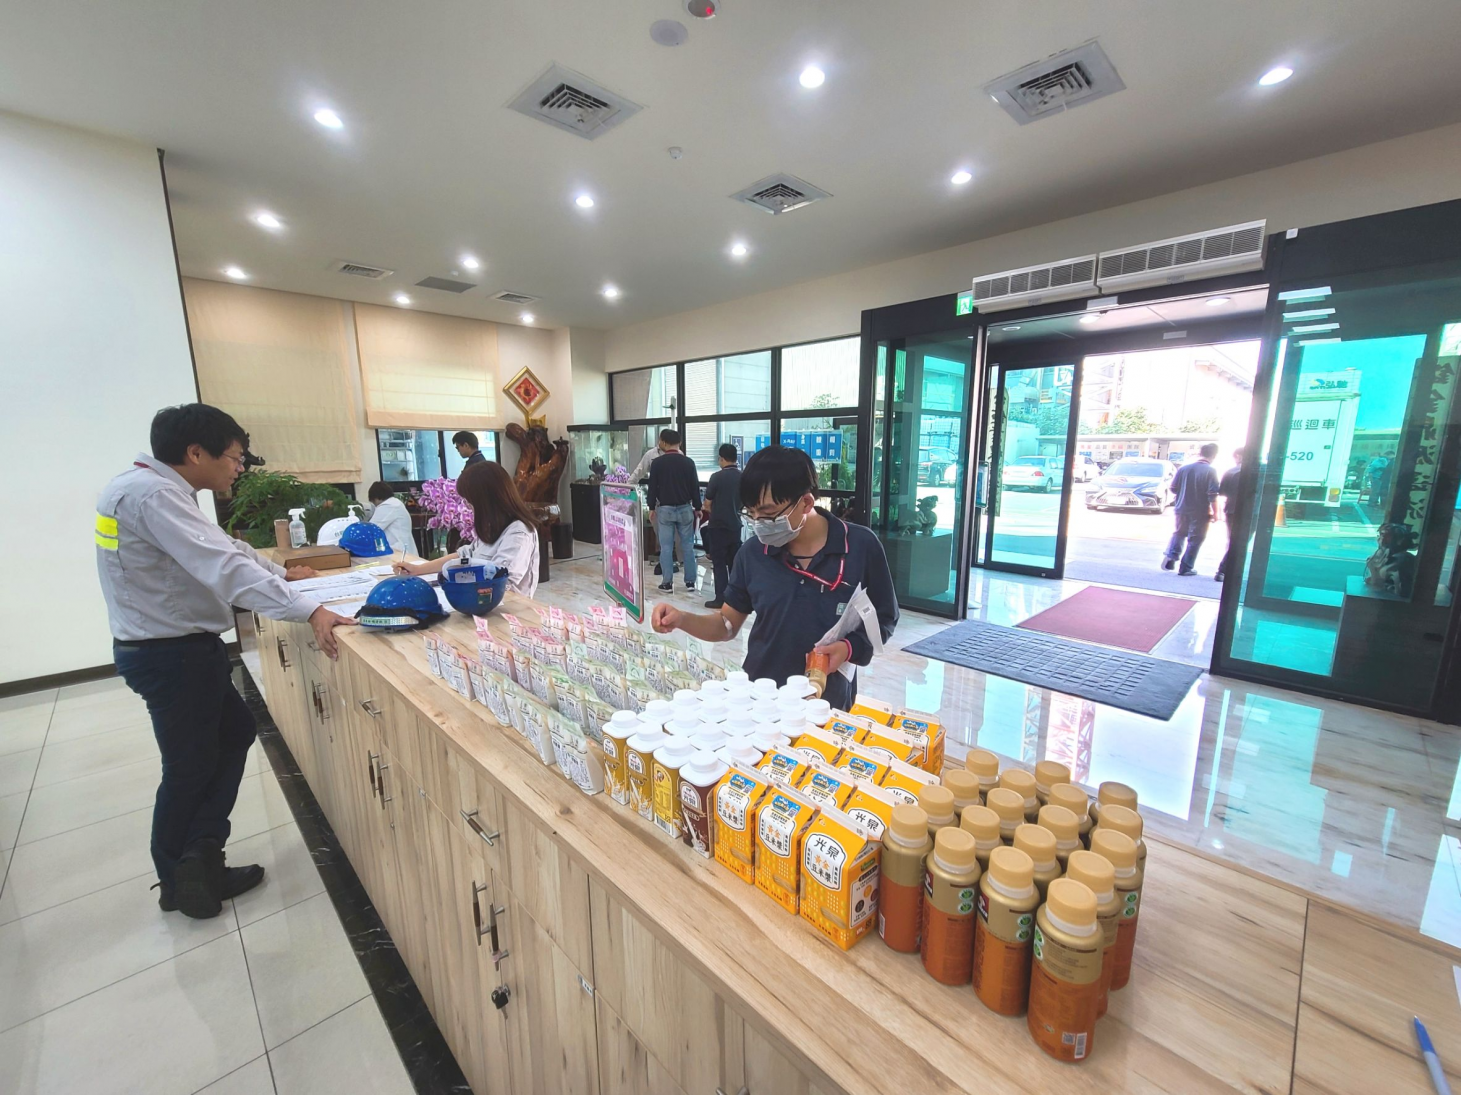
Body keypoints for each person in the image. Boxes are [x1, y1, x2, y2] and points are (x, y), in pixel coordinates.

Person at [97, 404, 358, 919]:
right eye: (235, 457)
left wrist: (284, 575)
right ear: (196, 452)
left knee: (232, 734)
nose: (239, 468)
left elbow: (225, 548)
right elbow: (222, 567)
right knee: (189, 765)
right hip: (170, 654)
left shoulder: (155, 489)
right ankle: (181, 876)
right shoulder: (152, 496)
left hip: (177, 649)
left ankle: (199, 856)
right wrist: (309, 609)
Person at [651, 445, 898, 711]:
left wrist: (848, 648)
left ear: (806, 502)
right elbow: (726, 625)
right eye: (752, 513)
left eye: (769, 514)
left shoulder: (860, 546)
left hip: (826, 703)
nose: (759, 523)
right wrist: (681, 619)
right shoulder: (753, 553)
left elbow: (884, 618)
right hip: (761, 700)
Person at [395, 460, 541, 596]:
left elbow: (500, 581)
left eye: (470, 502)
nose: (468, 507)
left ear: (486, 501)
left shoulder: (518, 532)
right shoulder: (493, 526)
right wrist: (418, 569)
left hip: (506, 606)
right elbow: (464, 556)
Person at [646, 429, 701, 593]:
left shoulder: (657, 463)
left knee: (666, 547)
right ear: (680, 443)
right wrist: (698, 507)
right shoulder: (688, 462)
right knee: (688, 546)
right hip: (685, 509)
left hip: (665, 510)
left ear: (663, 442)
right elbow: (695, 487)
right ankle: (690, 582)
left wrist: (651, 507)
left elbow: (652, 488)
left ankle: (667, 583)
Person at [1162, 441, 1221, 576]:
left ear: (1200, 453)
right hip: (1200, 511)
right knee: (1196, 538)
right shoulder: (1211, 471)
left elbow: (1173, 488)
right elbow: (1212, 494)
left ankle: (1172, 555)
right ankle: (1186, 567)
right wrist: (1215, 513)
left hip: (1181, 508)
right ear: (1214, 456)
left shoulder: (1184, 469)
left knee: (1179, 533)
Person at [700, 442, 744, 608]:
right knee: (734, 564)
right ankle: (735, 598)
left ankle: (720, 598)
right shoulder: (743, 477)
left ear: (721, 458)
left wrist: (716, 512)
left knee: (719, 563)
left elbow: (707, 503)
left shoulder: (716, 477)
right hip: (735, 526)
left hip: (718, 526)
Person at [1214, 448, 1246, 583]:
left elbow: (1222, 492)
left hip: (1232, 510)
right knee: (1241, 542)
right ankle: (1224, 570)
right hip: (1252, 512)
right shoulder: (1261, 471)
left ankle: (1225, 570)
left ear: (1238, 456)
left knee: (1234, 541)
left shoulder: (1230, 472)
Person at [366, 481, 415, 555]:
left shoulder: (388, 506)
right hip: (401, 550)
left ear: (376, 498)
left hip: (399, 551)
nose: (375, 505)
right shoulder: (395, 503)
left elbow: (371, 529)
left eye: (373, 502)